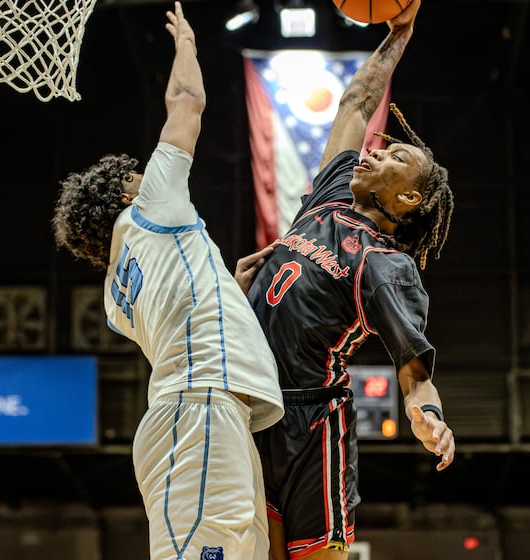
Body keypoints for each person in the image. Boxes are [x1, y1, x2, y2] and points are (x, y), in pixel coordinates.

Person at [51, 3, 284, 559]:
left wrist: (225, 286)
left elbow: (180, 312)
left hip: (199, 414)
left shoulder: (116, 296)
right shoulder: (152, 207)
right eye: (135, 174)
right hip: (197, 413)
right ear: (126, 194)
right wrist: (186, 45)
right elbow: (187, 102)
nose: (145, 172)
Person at [235, 1, 456, 558]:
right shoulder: (333, 190)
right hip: (249, 402)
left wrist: (424, 413)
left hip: (311, 422)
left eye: (393, 155)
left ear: (408, 197)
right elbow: (358, 101)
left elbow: (414, 367)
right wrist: (397, 38)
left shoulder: (384, 264)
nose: (376, 148)